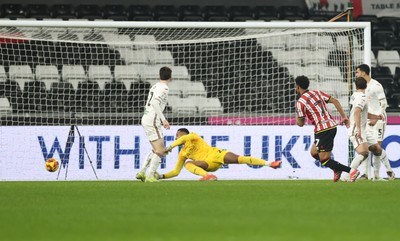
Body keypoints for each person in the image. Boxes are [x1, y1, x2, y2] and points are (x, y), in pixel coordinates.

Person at [157, 128, 282, 181]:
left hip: (216, 154)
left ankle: (270, 163)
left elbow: (182, 140)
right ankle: (207, 176)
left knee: (240, 158)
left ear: (183, 134)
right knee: (188, 164)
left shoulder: (193, 136)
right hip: (206, 163)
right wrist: (161, 176)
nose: (176, 137)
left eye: (177, 135)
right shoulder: (183, 153)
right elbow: (175, 172)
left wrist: (168, 147)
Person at [294, 75, 355, 182]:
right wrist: (344, 116)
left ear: (298, 87)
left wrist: (297, 116)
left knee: (324, 160)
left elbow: (301, 123)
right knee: (314, 152)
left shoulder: (300, 102)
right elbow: (335, 101)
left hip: (323, 130)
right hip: (331, 126)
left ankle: (351, 171)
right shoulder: (317, 92)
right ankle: (336, 169)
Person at [355, 64, 395, 181]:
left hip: (379, 119)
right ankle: (366, 174)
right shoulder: (361, 87)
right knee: (367, 146)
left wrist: (376, 118)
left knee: (377, 147)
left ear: (364, 73)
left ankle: (376, 175)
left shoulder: (376, 86)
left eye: (357, 72)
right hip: (367, 119)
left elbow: (384, 104)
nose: (356, 74)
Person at [347, 77, 387, 182]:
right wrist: (359, 129)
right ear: (366, 85)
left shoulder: (355, 95)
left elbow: (364, 113)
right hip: (356, 130)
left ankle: (377, 177)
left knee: (377, 150)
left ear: (355, 86)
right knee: (364, 153)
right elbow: (356, 112)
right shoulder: (362, 97)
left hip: (363, 131)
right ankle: (348, 174)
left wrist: (377, 117)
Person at [136, 66, 171, 183]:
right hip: (152, 120)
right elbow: (155, 103)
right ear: (170, 77)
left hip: (146, 118)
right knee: (161, 150)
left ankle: (142, 172)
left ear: (159, 76)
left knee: (156, 149)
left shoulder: (155, 86)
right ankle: (150, 176)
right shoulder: (164, 88)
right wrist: (164, 120)